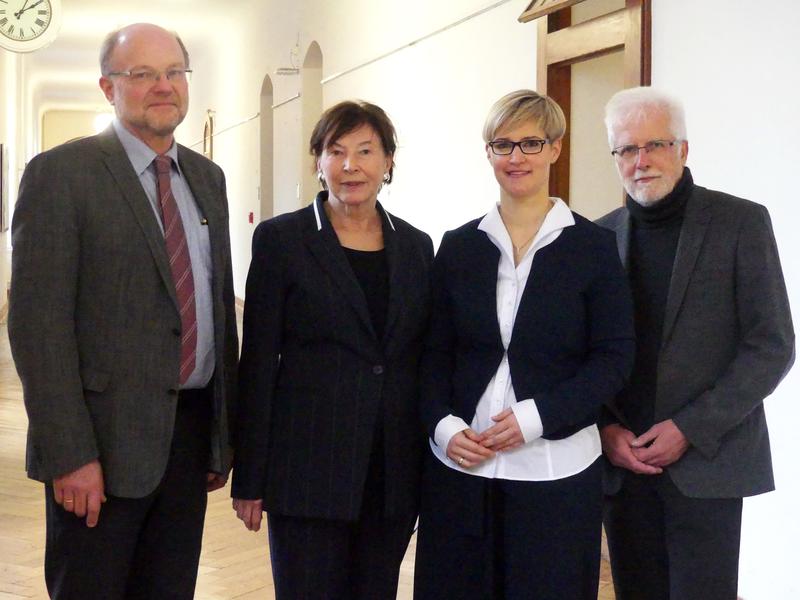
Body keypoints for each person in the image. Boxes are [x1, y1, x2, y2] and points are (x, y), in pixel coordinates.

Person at [8, 23, 239, 600]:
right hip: (100, 448)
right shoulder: (62, 175)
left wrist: (219, 436)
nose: (163, 86)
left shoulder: (208, 180)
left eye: (173, 72)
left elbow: (215, 309)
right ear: (108, 88)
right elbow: (39, 327)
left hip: (187, 439)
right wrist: (70, 454)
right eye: (141, 74)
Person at [413, 89, 635, 599]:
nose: (517, 158)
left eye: (531, 143)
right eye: (503, 144)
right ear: (488, 153)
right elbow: (432, 354)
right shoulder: (459, 245)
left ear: (556, 148)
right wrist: (445, 428)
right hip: (461, 469)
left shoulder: (594, 248)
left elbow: (614, 358)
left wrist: (537, 417)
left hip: (556, 471)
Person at [597, 86, 795, 600]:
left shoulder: (741, 222)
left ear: (683, 149)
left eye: (656, 145)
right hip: (624, 466)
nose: (641, 162)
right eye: (626, 149)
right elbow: (584, 354)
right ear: (615, 156)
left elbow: (772, 344)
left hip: (708, 462)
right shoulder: (595, 238)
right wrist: (603, 430)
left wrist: (688, 428)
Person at [231, 100, 433, 599]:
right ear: (318, 161)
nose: (350, 166)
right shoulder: (282, 241)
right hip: (307, 469)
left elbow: (419, 358)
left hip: (391, 472)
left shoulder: (416, 246)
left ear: (388, 161)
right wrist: (249, 476)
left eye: (366, 151)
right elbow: (257, 362)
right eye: (335, 151)